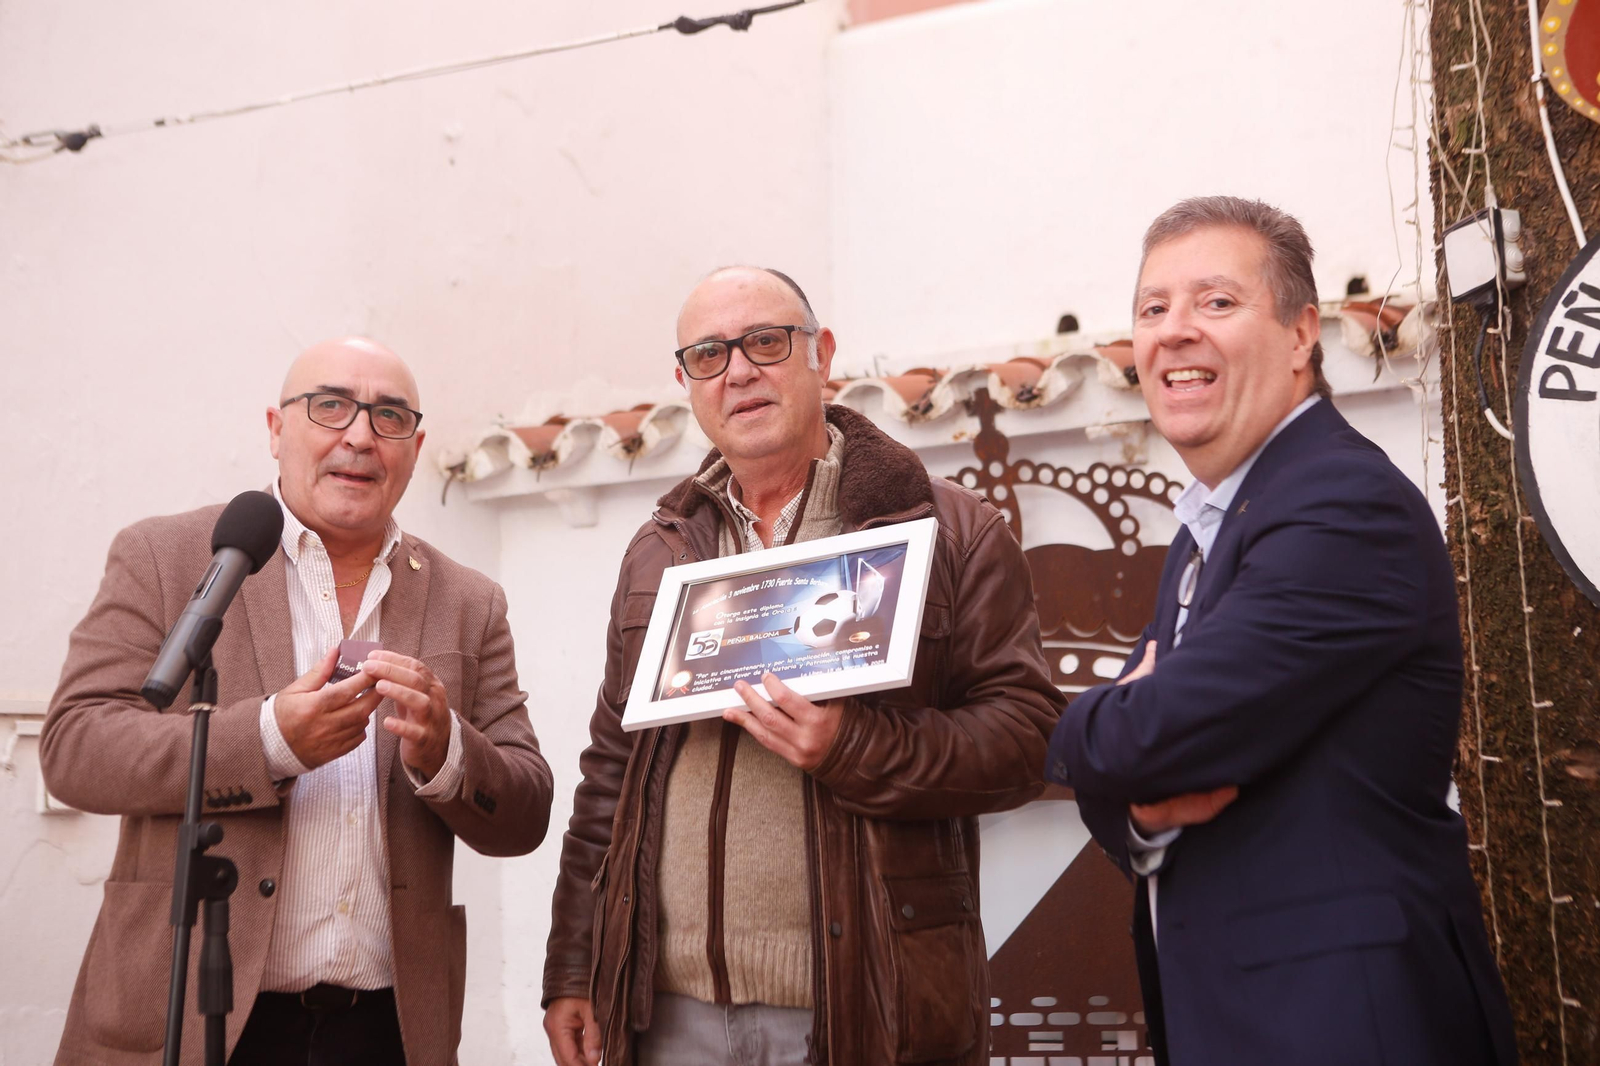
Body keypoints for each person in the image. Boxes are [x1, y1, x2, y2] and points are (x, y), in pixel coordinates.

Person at [541, 267, 1063, 1066]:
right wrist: (576, 966)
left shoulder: (948, 531)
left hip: (858, 1003)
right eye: (709, 354)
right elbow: (611, 770)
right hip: (664, 1014)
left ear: (820, 353)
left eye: (765, 342)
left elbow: (1028, 740)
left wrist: (849, 747)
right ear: (686, 384)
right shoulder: (660, 550)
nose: (739, 370)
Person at [1045, 197, 1517, 1065]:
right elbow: (1138, 772)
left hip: (1347, 1025)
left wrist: (1084, 726)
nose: (1174, 332)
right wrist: (1140, 804)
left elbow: (1148, 736)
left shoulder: (1343, 505)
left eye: (1215, 303)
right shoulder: (1213, 520)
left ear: (1303, 335)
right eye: (1153, 309)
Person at [42, 337, 553, 1066]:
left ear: (414, 446)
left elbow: (526, 811)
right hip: (189, 1018)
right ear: (277, 431)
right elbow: (76, 745)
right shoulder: (169, 557)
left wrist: (446, 752)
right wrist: (270, 741)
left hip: (385, 1028)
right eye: (331, 407)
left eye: (389, 416)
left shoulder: (467, 601)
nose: (359, 435)